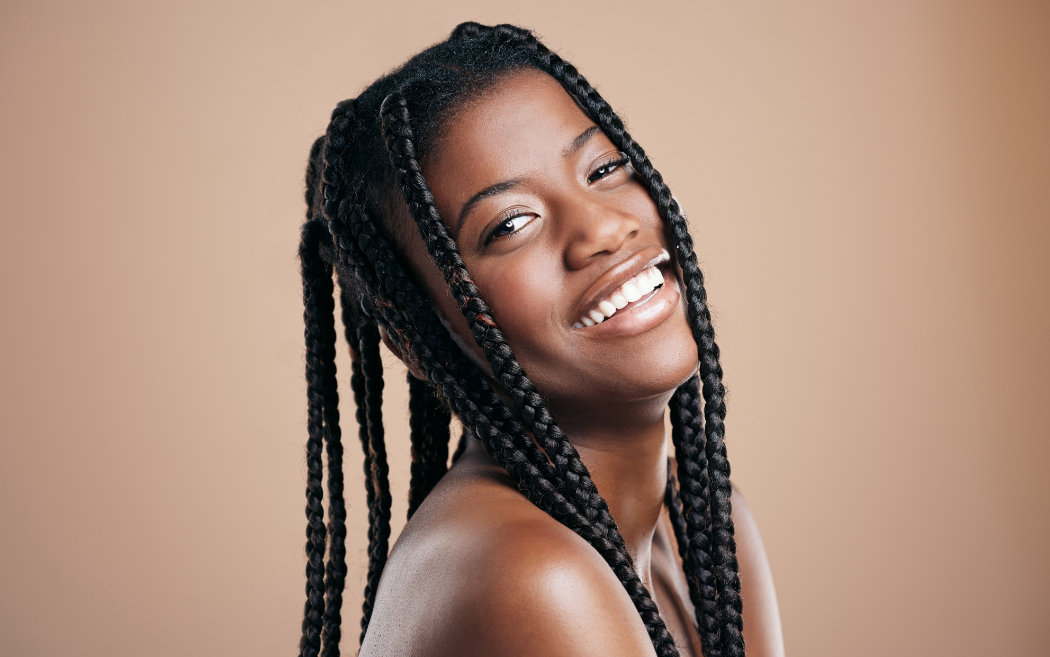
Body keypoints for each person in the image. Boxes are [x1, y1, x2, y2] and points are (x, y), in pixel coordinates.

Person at [297, 22, 784, 657]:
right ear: (414, 336)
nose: (603, 229)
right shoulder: (529, 571)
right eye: (512, 223)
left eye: (605, 167)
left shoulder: (706, 526)